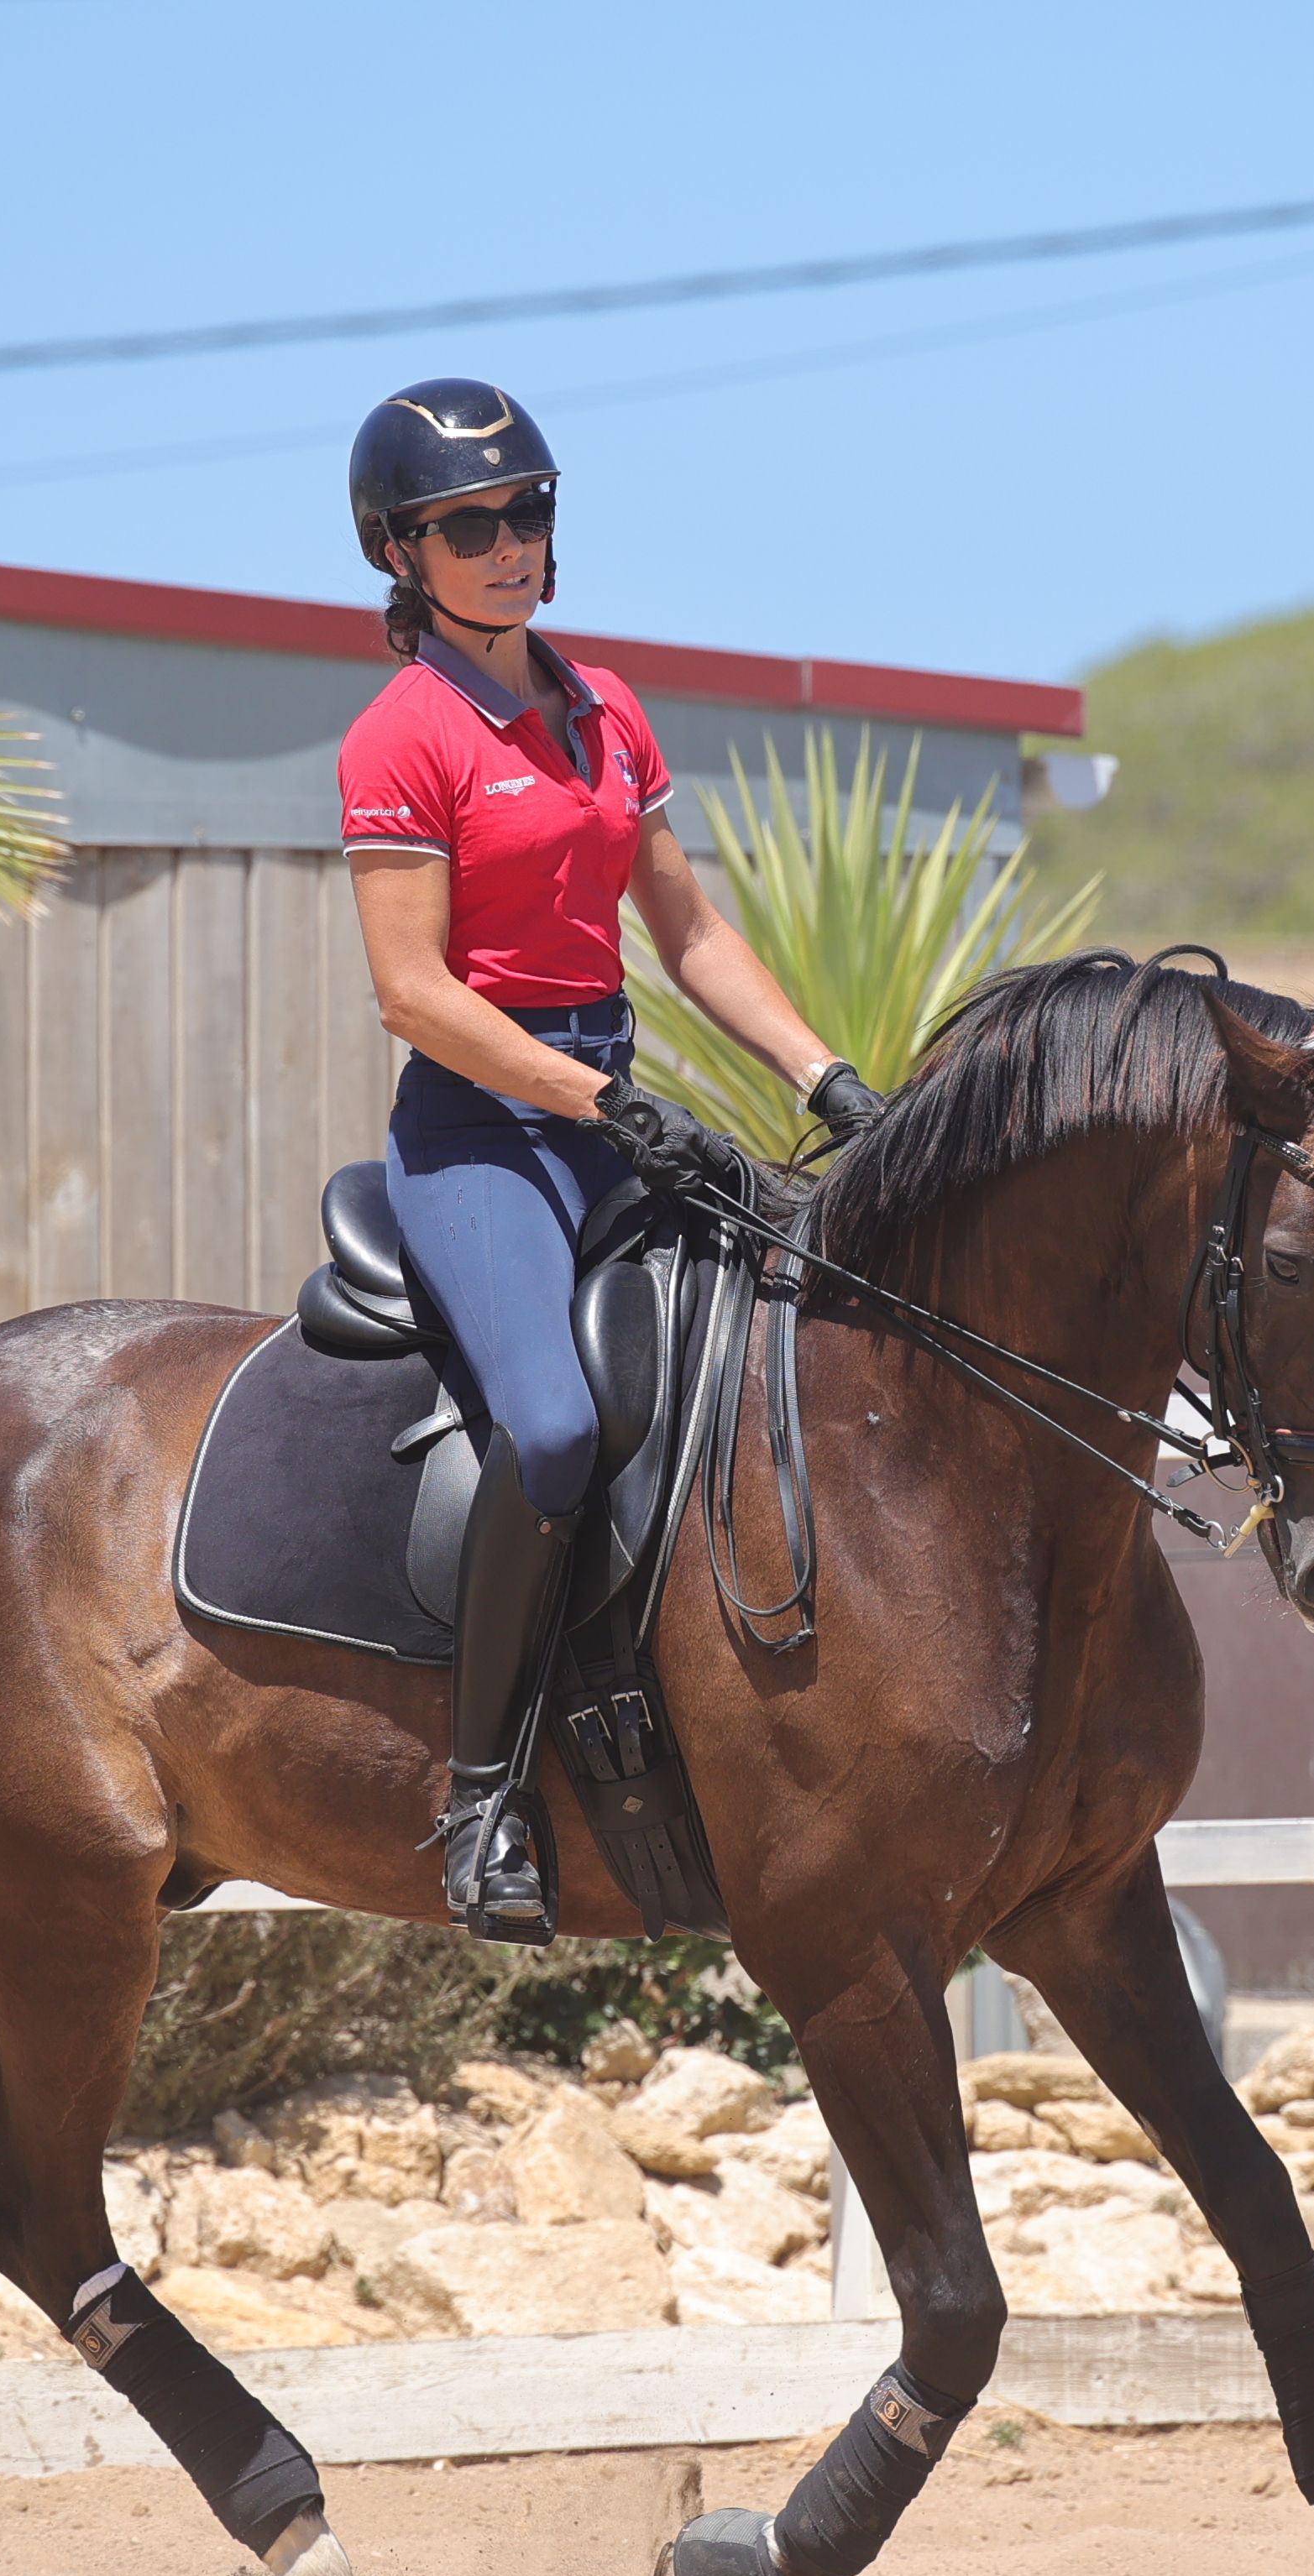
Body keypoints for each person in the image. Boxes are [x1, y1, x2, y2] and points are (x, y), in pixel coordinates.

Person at [335, 378, 881, 1941]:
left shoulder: (609, 709)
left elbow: (690, 934)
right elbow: (413, 993)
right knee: (559, 1430)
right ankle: (483, 1791)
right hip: (483, 1139)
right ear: (400, 552)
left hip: (611, 1110)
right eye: (472, 526)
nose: (513, 545)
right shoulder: (404, 737)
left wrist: (830, 1079)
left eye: (533, 513)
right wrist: (588, 1105)